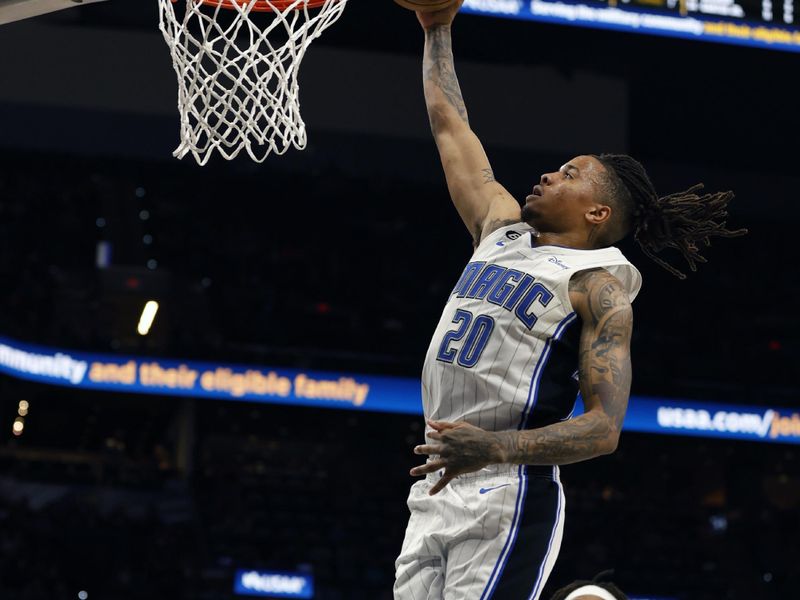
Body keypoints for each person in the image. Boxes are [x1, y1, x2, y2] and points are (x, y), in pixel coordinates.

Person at [393, 1, 746, 599]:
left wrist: (492, 448)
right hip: (436, 483)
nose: (549, 175)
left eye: (569, 172)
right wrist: (437, 27)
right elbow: (451, 126)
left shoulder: (600, 283)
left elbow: (605, 428)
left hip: (506, 487)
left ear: (598, 212)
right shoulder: (499, 229)